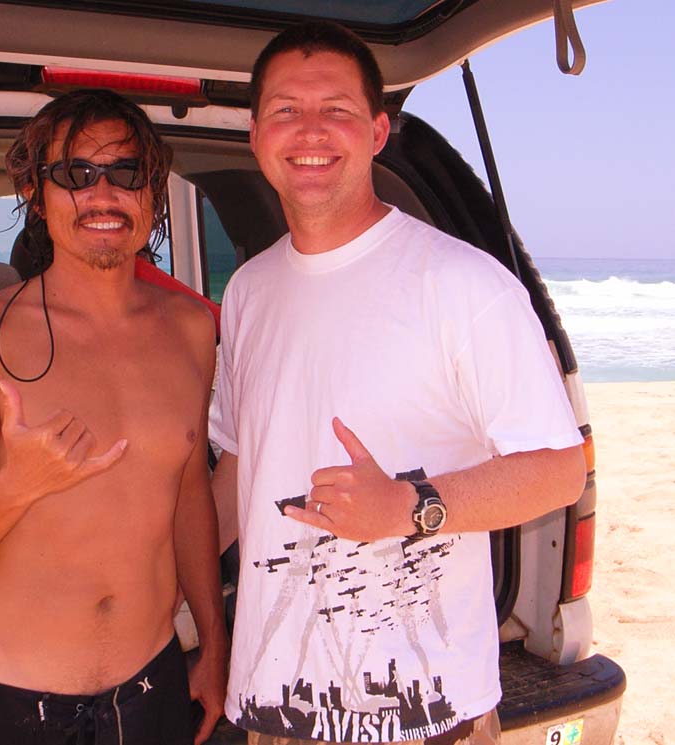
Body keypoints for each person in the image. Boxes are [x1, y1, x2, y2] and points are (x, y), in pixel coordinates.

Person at [209, 21, 587, 745]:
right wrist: (163, 585)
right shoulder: (249, 290)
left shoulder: (463, 284)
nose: (310, 130)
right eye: (286, 109)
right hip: (271, 708)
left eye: (337, 109)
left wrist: (409, 506)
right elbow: (238, 470)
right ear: (255, 134)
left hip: (425, 715)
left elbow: (558, 470)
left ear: (378, 131)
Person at [0, 89, 226, 745]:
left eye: (126, 173)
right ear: (37, 193)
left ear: (153, 192)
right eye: (77, 173)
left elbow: (190, 493)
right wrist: (18, 485)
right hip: (14, 703)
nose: (103, 195)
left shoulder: (192, 328)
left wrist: (215, 645)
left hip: (152, 686)